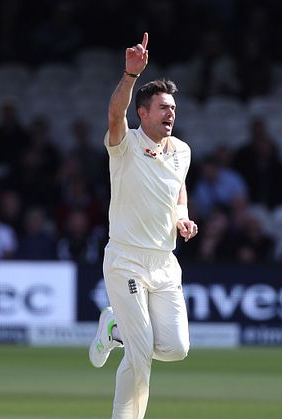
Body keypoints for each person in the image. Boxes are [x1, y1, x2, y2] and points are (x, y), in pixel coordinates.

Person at [88, 33, 197, 419]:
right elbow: (114, 114)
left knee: (176, 347)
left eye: (174, 108)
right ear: (144, 114)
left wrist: (182, 218)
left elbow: (178, 193)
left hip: (165, 263)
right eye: (163, 108)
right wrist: (130, 75)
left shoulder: (181, 151)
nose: (171, 114)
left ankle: (114, 327)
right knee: (141, 353)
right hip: (127, 261)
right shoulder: (125, 145)